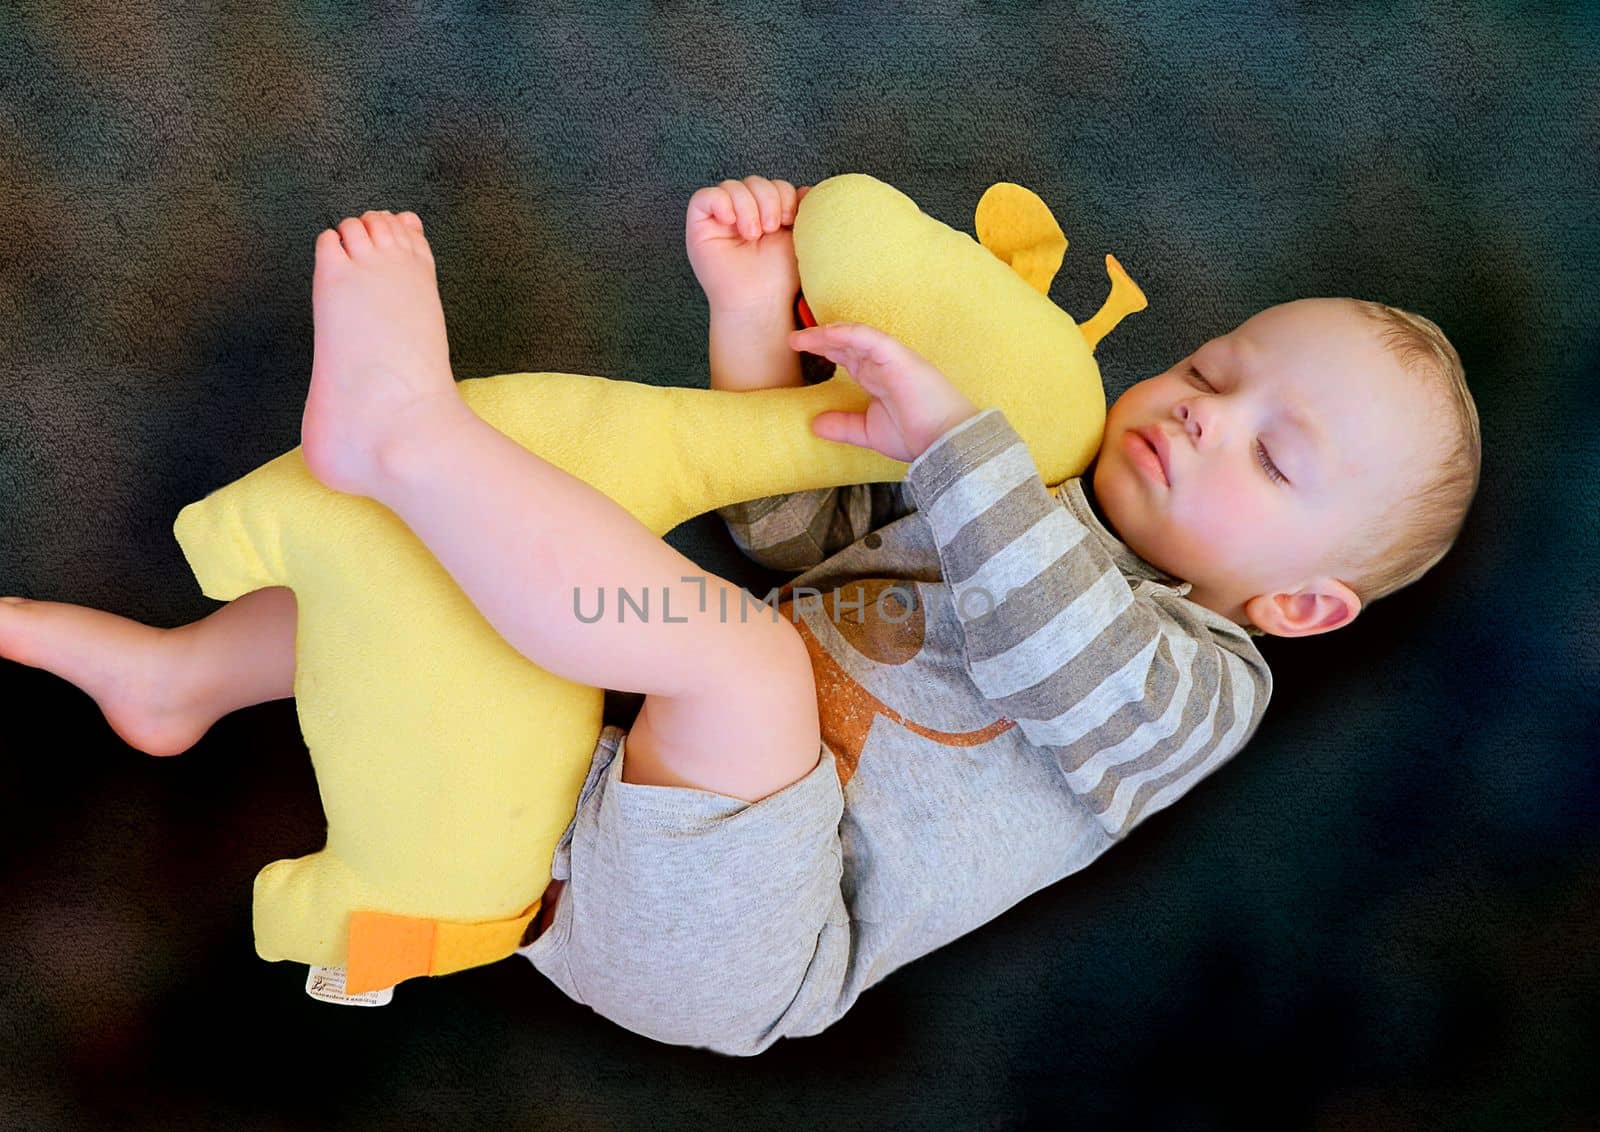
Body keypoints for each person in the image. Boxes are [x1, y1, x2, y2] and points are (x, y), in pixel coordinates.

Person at [0, 176, 1480, 1056]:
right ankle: (186, 673)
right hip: (623, 814)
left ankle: (409, 436)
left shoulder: (1200, 685)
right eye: (1215, 372)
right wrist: (749, 315)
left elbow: (1059, 656)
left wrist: (961, 445)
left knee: (738, 652)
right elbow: (783, 523)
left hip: (741, 949)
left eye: (1273, 457)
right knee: (524, 588)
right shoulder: (1021, 483)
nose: (1206, 420)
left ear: (1298, 602)